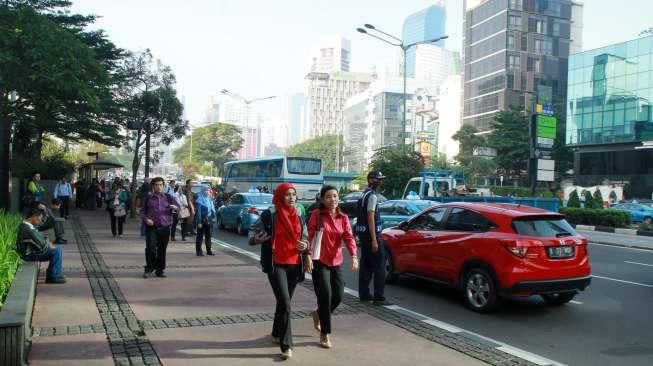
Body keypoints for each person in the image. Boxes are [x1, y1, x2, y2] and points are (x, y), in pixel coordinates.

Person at [248, 182, 309, 360]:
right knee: (286, 303)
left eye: (293, 194)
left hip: (294, 263)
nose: (291, 198)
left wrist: (304, 245)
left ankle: (276, 332)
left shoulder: (299, 214)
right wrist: (256, 240)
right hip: (275, 264)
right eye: (287, 194)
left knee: (284, 302)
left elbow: (305, 236)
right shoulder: (270, 214)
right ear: (280, 196)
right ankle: (286, 344)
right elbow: (252, 231)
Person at [306, 185, 358, 349]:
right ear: (322, 199)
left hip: (336, 261)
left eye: (335, 196)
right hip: (319, 261)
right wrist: (307, 255)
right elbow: (309, 236)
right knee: (325, 296)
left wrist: (354, 256)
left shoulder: (343, 217)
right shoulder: (316, 215)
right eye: (328, 196)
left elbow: (349, 237)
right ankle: (325, 334)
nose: (332, 199)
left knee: (338, 295)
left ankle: (319, 314)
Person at [355, 170, 387, 305]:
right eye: (379, 179)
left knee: (366, 265)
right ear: (373, 180)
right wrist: (374, 239)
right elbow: (370, 216)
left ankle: (364, 294)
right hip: (372, 235)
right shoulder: (372, 196)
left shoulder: (364, 194)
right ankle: (378, 296)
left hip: (363, 235)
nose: (381, 182)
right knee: (380, 266)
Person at [17, 206, 66, 284]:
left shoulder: (29, 225)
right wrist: (48, 243)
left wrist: (46, 210)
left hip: (32, 251)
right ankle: (53, 276)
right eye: (39, 218)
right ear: (34, 217)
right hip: (29, 255)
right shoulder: (27, 229)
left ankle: (53, 275)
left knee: (56, 250)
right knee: (56, 251)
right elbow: (42, 244)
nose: (40, 221)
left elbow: (48, 223)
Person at [140, 177, 177, 278]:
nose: (159, 187)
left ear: (164, 186)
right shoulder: (148, 198)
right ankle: (149, 268)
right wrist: (147, 219)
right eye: (157, 185)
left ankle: (160, 270)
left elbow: (178, 207)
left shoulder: (169, 197)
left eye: (161, 185)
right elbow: (142, 211)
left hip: (165, 227)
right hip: (152, 227)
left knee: (162, 249)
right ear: (153, 186)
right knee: (150, 248)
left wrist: (175, 208)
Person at [194, 185, 215, 256]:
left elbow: (212, 209)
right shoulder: (199, 200)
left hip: (209, 219)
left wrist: (213, 217)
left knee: (208, 235)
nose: (207, 192)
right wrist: (199, 222)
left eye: (208, 190)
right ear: (202, 191)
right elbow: (198, 212)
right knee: (200, 236)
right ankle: (199, 251)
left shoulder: (209, 199)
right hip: (202, 219)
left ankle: (209, 250)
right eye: (206, 190)